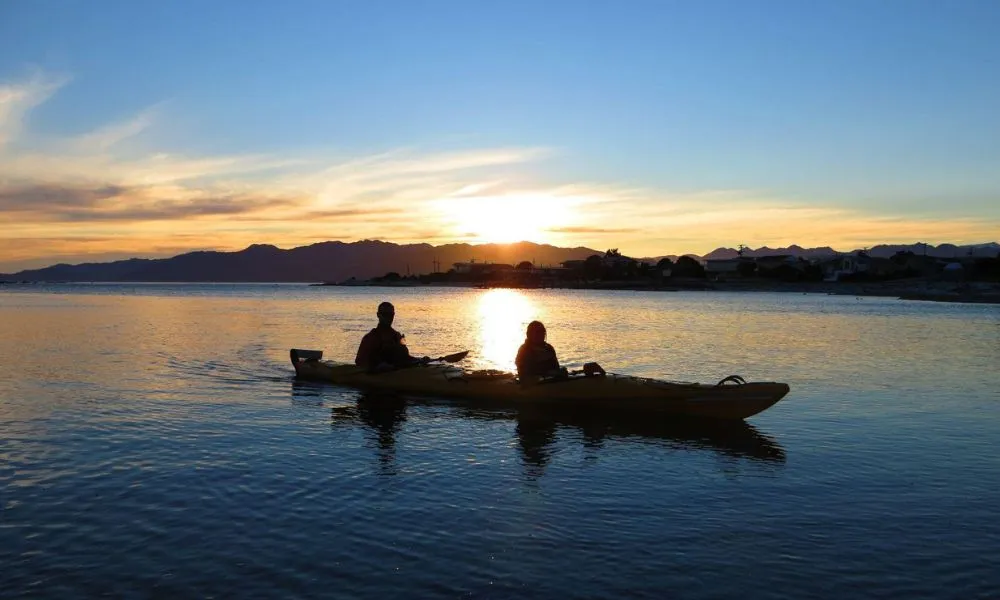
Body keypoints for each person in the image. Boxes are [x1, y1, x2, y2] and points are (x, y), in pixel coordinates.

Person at [355, 301, 429, 372]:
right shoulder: (370, 337)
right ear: (378, 315)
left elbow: (406, 357)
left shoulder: (398, 336)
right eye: (385, 314)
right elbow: (359, 361)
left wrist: (420, 360)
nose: (388, 318)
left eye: (390, 315)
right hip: (380, 374)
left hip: (397, 372)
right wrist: (377, 367)